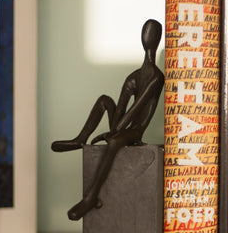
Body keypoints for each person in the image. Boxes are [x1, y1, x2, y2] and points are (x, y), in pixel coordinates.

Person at [51, 19, 164, 220]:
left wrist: (115, 131)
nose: (148, 38)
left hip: (135, 131)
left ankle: (90, 198)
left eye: (150, 34)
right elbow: (120, 109)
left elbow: (135, 111)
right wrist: (115, 127)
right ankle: (80, 138)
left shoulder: (156, 76)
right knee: (104, 100)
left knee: (113, 142)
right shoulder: (134, 76)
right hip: (122, 127)